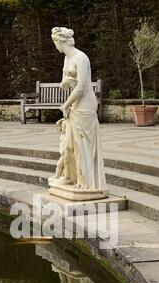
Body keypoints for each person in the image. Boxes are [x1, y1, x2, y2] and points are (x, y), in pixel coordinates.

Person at [50, 27, 107, 191]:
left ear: (61, 41)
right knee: (69, 145)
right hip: (74, 104)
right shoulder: (67, 58)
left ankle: (85, 182)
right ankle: (69, 177)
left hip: (85, 105)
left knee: (81, 146)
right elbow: (64, 83)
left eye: (55, 42)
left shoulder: (81, 58)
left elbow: (82, 87)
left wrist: (66, 104)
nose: (55, 46)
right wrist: (66, 83)